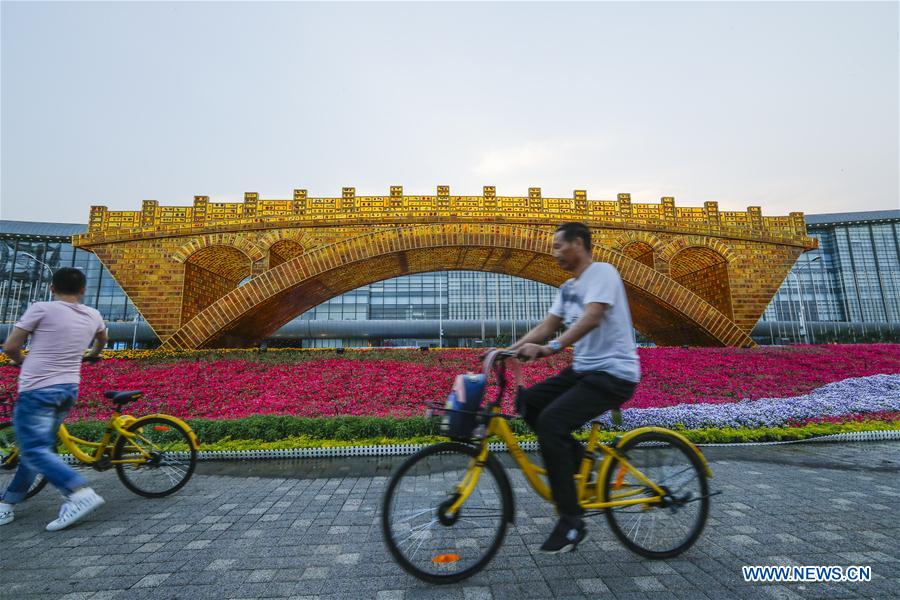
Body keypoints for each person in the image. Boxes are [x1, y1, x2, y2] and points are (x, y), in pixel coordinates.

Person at [507, 222, 640, 553]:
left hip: (614, 374)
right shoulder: (568, 288)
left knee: (552, 423)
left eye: (558, 246)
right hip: (585, 371)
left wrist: (552, 349)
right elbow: (547, 326)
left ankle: (571, 521)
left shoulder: (603, 273)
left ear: (578, 244)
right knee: (530, 403)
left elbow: (592, 317)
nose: (554, 253)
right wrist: (508, 351)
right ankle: (579, 460)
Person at [0, 267, 108, 531]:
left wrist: (22, 361)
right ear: (83, 289)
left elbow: (11, 346)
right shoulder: (93, 314)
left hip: (38, 388)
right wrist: (92, 354)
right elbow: (103, 340)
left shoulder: (41, 308)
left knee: (35, 449)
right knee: (38, 449)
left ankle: (79, 493)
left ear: (52, 288)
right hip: (68, 388)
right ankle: (7, 504)